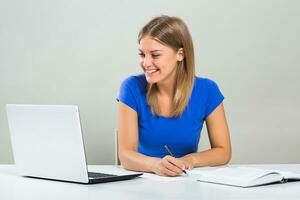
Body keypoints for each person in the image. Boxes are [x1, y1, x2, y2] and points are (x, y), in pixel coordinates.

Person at [117, 15, 231, 177]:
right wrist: (156, 165)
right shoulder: (131, 87)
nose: (146, 63)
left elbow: (223, 151)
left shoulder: (207, 90)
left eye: (155, 55)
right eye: (142, 54)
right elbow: (125, 155)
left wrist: (190, 160)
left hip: (186, 181)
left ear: (180, 54)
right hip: (144, 181)